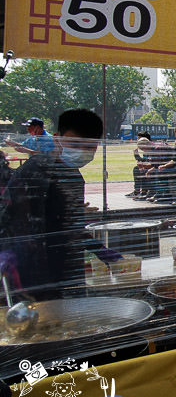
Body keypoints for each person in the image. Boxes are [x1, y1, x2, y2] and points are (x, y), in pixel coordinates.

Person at [0, 109, 124, 297]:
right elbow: (9, 216)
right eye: (75, 144)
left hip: (68, 266)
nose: (82, 151)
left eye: (90, 146)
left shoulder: (74, 177)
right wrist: (8, 252)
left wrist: (98, 249)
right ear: (57, 138)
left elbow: (71, 227)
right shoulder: (35, 170)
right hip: (33, 270)